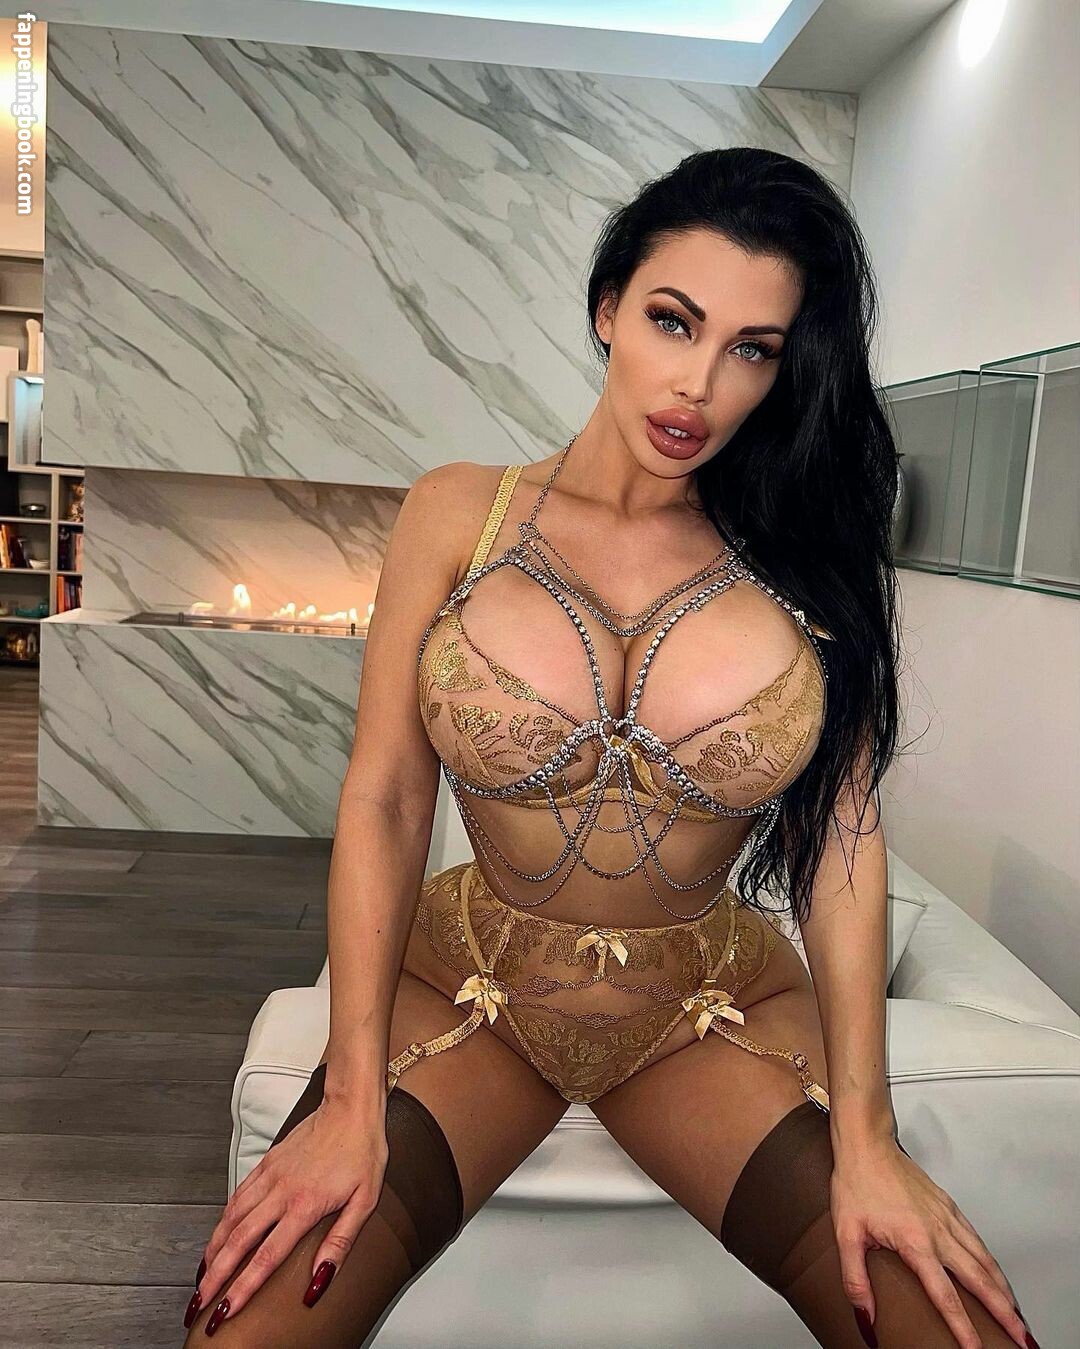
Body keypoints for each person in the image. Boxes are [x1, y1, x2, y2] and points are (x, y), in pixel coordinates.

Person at [181, 147, 1037, 1348]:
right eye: (673, 320)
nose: (699, 382)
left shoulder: (808, 554)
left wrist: (870, 1137)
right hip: (467, 976)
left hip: (703, 997)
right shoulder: (457, 512)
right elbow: (384, 798)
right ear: (607, 307)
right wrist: (351, 1090)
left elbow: (843, 837)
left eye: (753, 348)